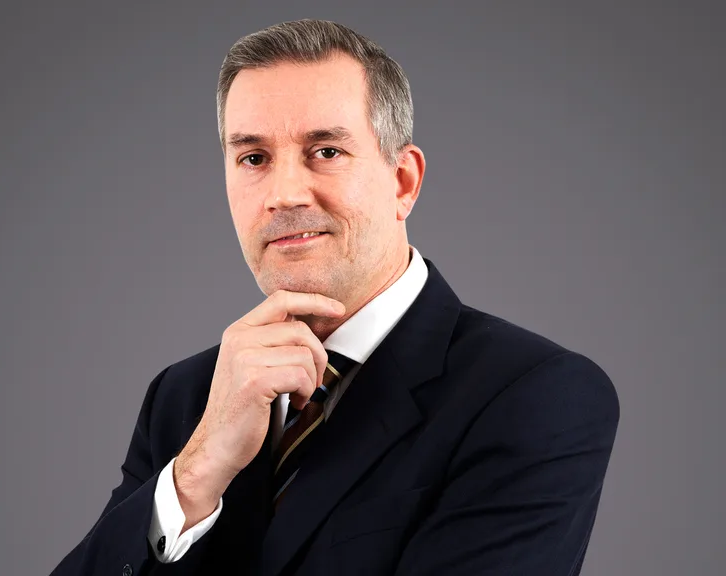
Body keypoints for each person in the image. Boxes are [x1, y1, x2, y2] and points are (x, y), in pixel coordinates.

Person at [51, 19, 620, 576]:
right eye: (254, 158)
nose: (283, 194)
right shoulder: (185, 397)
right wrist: (195, 476)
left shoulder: (536, 395)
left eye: (325, 151)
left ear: (403, 181)